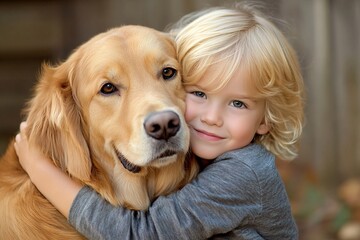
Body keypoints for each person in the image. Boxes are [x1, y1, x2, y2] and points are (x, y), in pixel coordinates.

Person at [14, 3, 304, 239]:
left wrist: (41, 170)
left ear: (265, 119)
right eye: (108, 88)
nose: (161, 118)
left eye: (167, 74)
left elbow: (141, 234)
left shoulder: (241, 173)